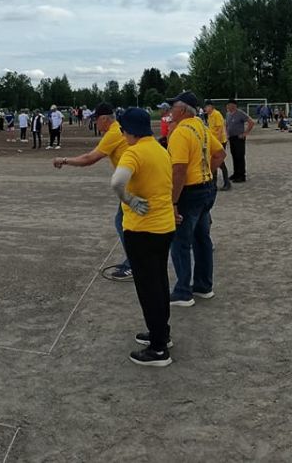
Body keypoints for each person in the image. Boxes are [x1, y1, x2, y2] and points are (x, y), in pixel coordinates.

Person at [102, 107, 177, 366]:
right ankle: (161, 333)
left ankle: (158, 350)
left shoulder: (133, 152)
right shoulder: (160, 149)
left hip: (142, 230)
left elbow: (116, 182)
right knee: (160, 282)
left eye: (123, 130)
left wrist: (129, 199)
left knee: (149, 289)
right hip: (164, 226)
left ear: (130, 131)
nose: (122, 134)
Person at [55, 104, 135, 280]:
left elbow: (89, 159)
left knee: (123, 222)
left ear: (104, 119)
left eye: (96, 119)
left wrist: (64, 160)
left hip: (133, 185)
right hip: (133, 182)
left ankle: (134, 264)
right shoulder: (119, 129)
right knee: (123, 221)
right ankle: (134, 260)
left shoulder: (113, 133)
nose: (95, 123)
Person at [165, 91, 224, 307]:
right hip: (207, 188)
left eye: (173, 107)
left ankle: (183, 291)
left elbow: (179, 169)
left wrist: (173, 202)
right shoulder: (201, 127)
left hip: (189, 193)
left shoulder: (181, 132)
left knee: (181, 242)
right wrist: (206, 172)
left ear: (182, 110)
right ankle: (203, 285)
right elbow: (220, 154)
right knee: (202, 239)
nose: (170, 111)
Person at [204, 102, 230, 190]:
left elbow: (219, 129)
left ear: (211, 106)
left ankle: (227, 182)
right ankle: (214, 183)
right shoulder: (209, 115)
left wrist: (217, 142)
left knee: (220, 161)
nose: (205, 109)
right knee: (213, 160)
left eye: (206, 107)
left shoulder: (216, 114)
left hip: (219, 141)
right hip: (213, 141)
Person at [224, 101, 251, 184]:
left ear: (234, 105)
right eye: (227, 105)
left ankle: (242, 175)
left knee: (240, 156)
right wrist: (227, 133)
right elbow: (226, 125)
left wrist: (245, 133)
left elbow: (251, 122)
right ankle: (236, 173)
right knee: (234, 155)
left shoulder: (240, 113)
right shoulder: (228, 114)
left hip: (239, 138)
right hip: (231, 138)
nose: (228, 107)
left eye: (229, 105)